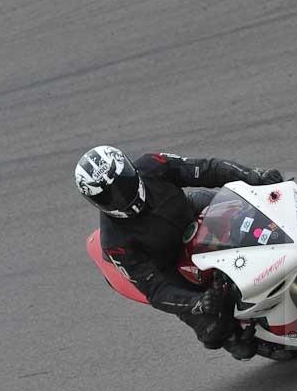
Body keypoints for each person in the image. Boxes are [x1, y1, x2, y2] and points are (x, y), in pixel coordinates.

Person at [74, 145, 283, 360]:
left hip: (190, 212)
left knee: (254, 206)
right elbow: (155, 290)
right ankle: (235, 336)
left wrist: (252, 175)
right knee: (216, 330)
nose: (122, 195)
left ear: (130, 169)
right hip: (169, 264)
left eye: (124, 182)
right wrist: (197, 303)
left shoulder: (152, 164)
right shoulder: (115, 241)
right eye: (110, 196)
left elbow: (205, 168)